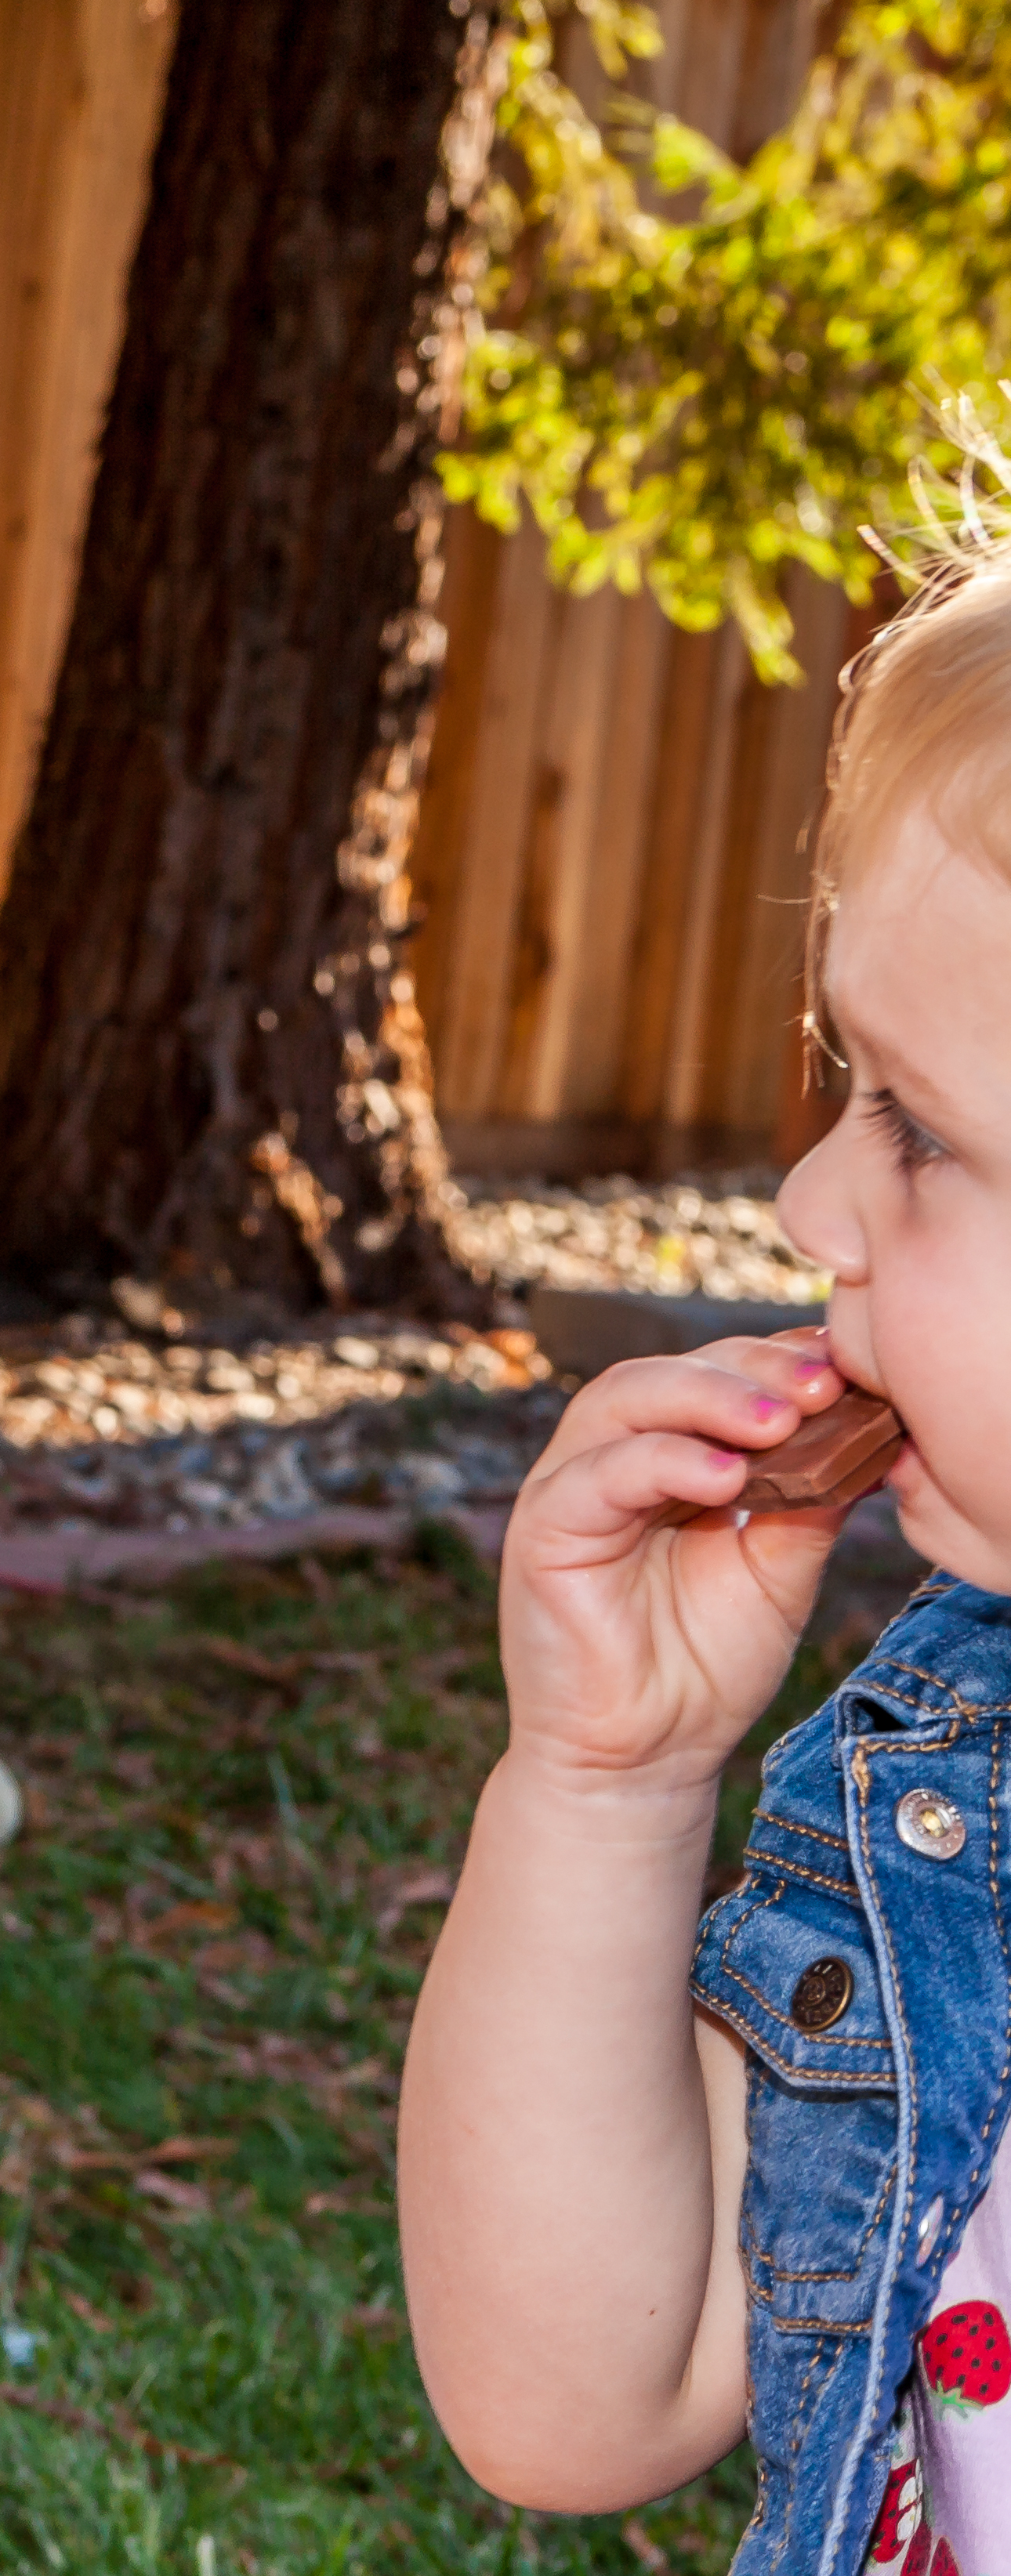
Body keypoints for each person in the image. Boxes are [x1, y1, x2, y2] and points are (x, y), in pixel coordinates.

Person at [399, 550, 1011, 2571]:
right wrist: (607, 1781)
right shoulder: (955, 1790)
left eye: (918, 1130)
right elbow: (579, 2394)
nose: (808, 1190)